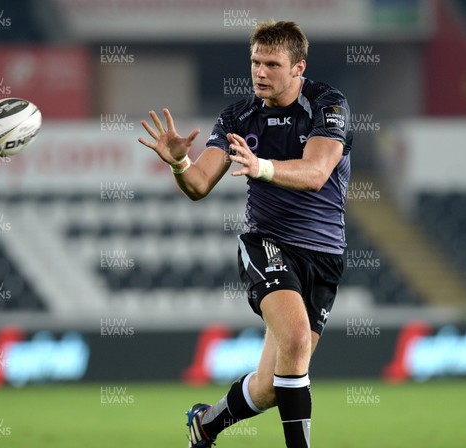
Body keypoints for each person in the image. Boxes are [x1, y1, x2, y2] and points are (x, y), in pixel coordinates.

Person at [138, 19, 352, 448]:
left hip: (324, 254)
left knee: (273, 386)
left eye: (272, 63)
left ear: (298, 68)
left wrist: (261, 167)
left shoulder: (329, 105)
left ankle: (207, 425)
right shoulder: (238, 115)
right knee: (294, 339)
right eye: (255, 62)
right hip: (267, 243)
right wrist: (179, 164)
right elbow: (199, 185)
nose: (260, 72)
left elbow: (316, 173)